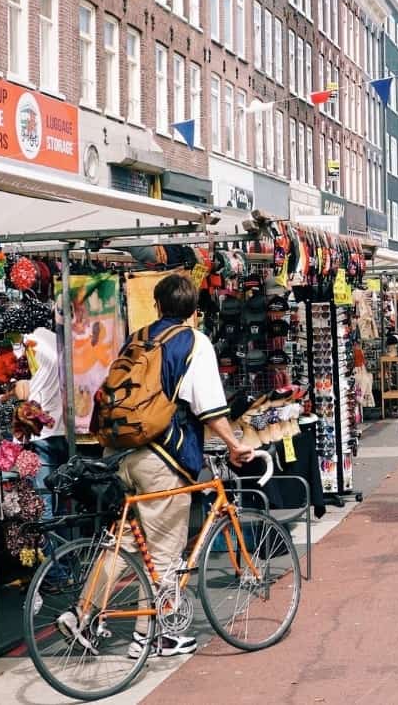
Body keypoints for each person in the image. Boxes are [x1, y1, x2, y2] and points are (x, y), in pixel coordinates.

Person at [107, 275, 258, 659]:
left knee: (124, 543)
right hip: (164, 456)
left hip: (124, 452)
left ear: (157, 305)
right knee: (165, 553)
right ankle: (158, 636)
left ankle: (83, 614)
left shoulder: (139, 337)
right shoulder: (193, 342)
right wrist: (234, 444)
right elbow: (208, 406)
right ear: (195, 310)